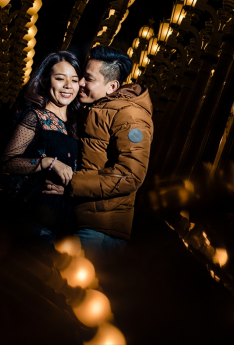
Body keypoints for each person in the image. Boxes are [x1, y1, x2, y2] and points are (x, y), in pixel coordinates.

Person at [43, 46, 153, 256]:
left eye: (88, 79)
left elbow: (130, 175)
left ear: (112, 86)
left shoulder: (131, 116)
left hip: (100, 231)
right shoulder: (97, 108)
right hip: (79, 221)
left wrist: (71, 182)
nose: (80, 83)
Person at [0, 51, 81, 244]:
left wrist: (71, 187)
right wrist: (48, 163)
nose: (68, 85)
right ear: (44, 82)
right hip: (35, 217)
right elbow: (7, 164)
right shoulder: (35, 117)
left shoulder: (77, 126)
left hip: (66, 223)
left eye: (74, 80)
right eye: (60, 78)